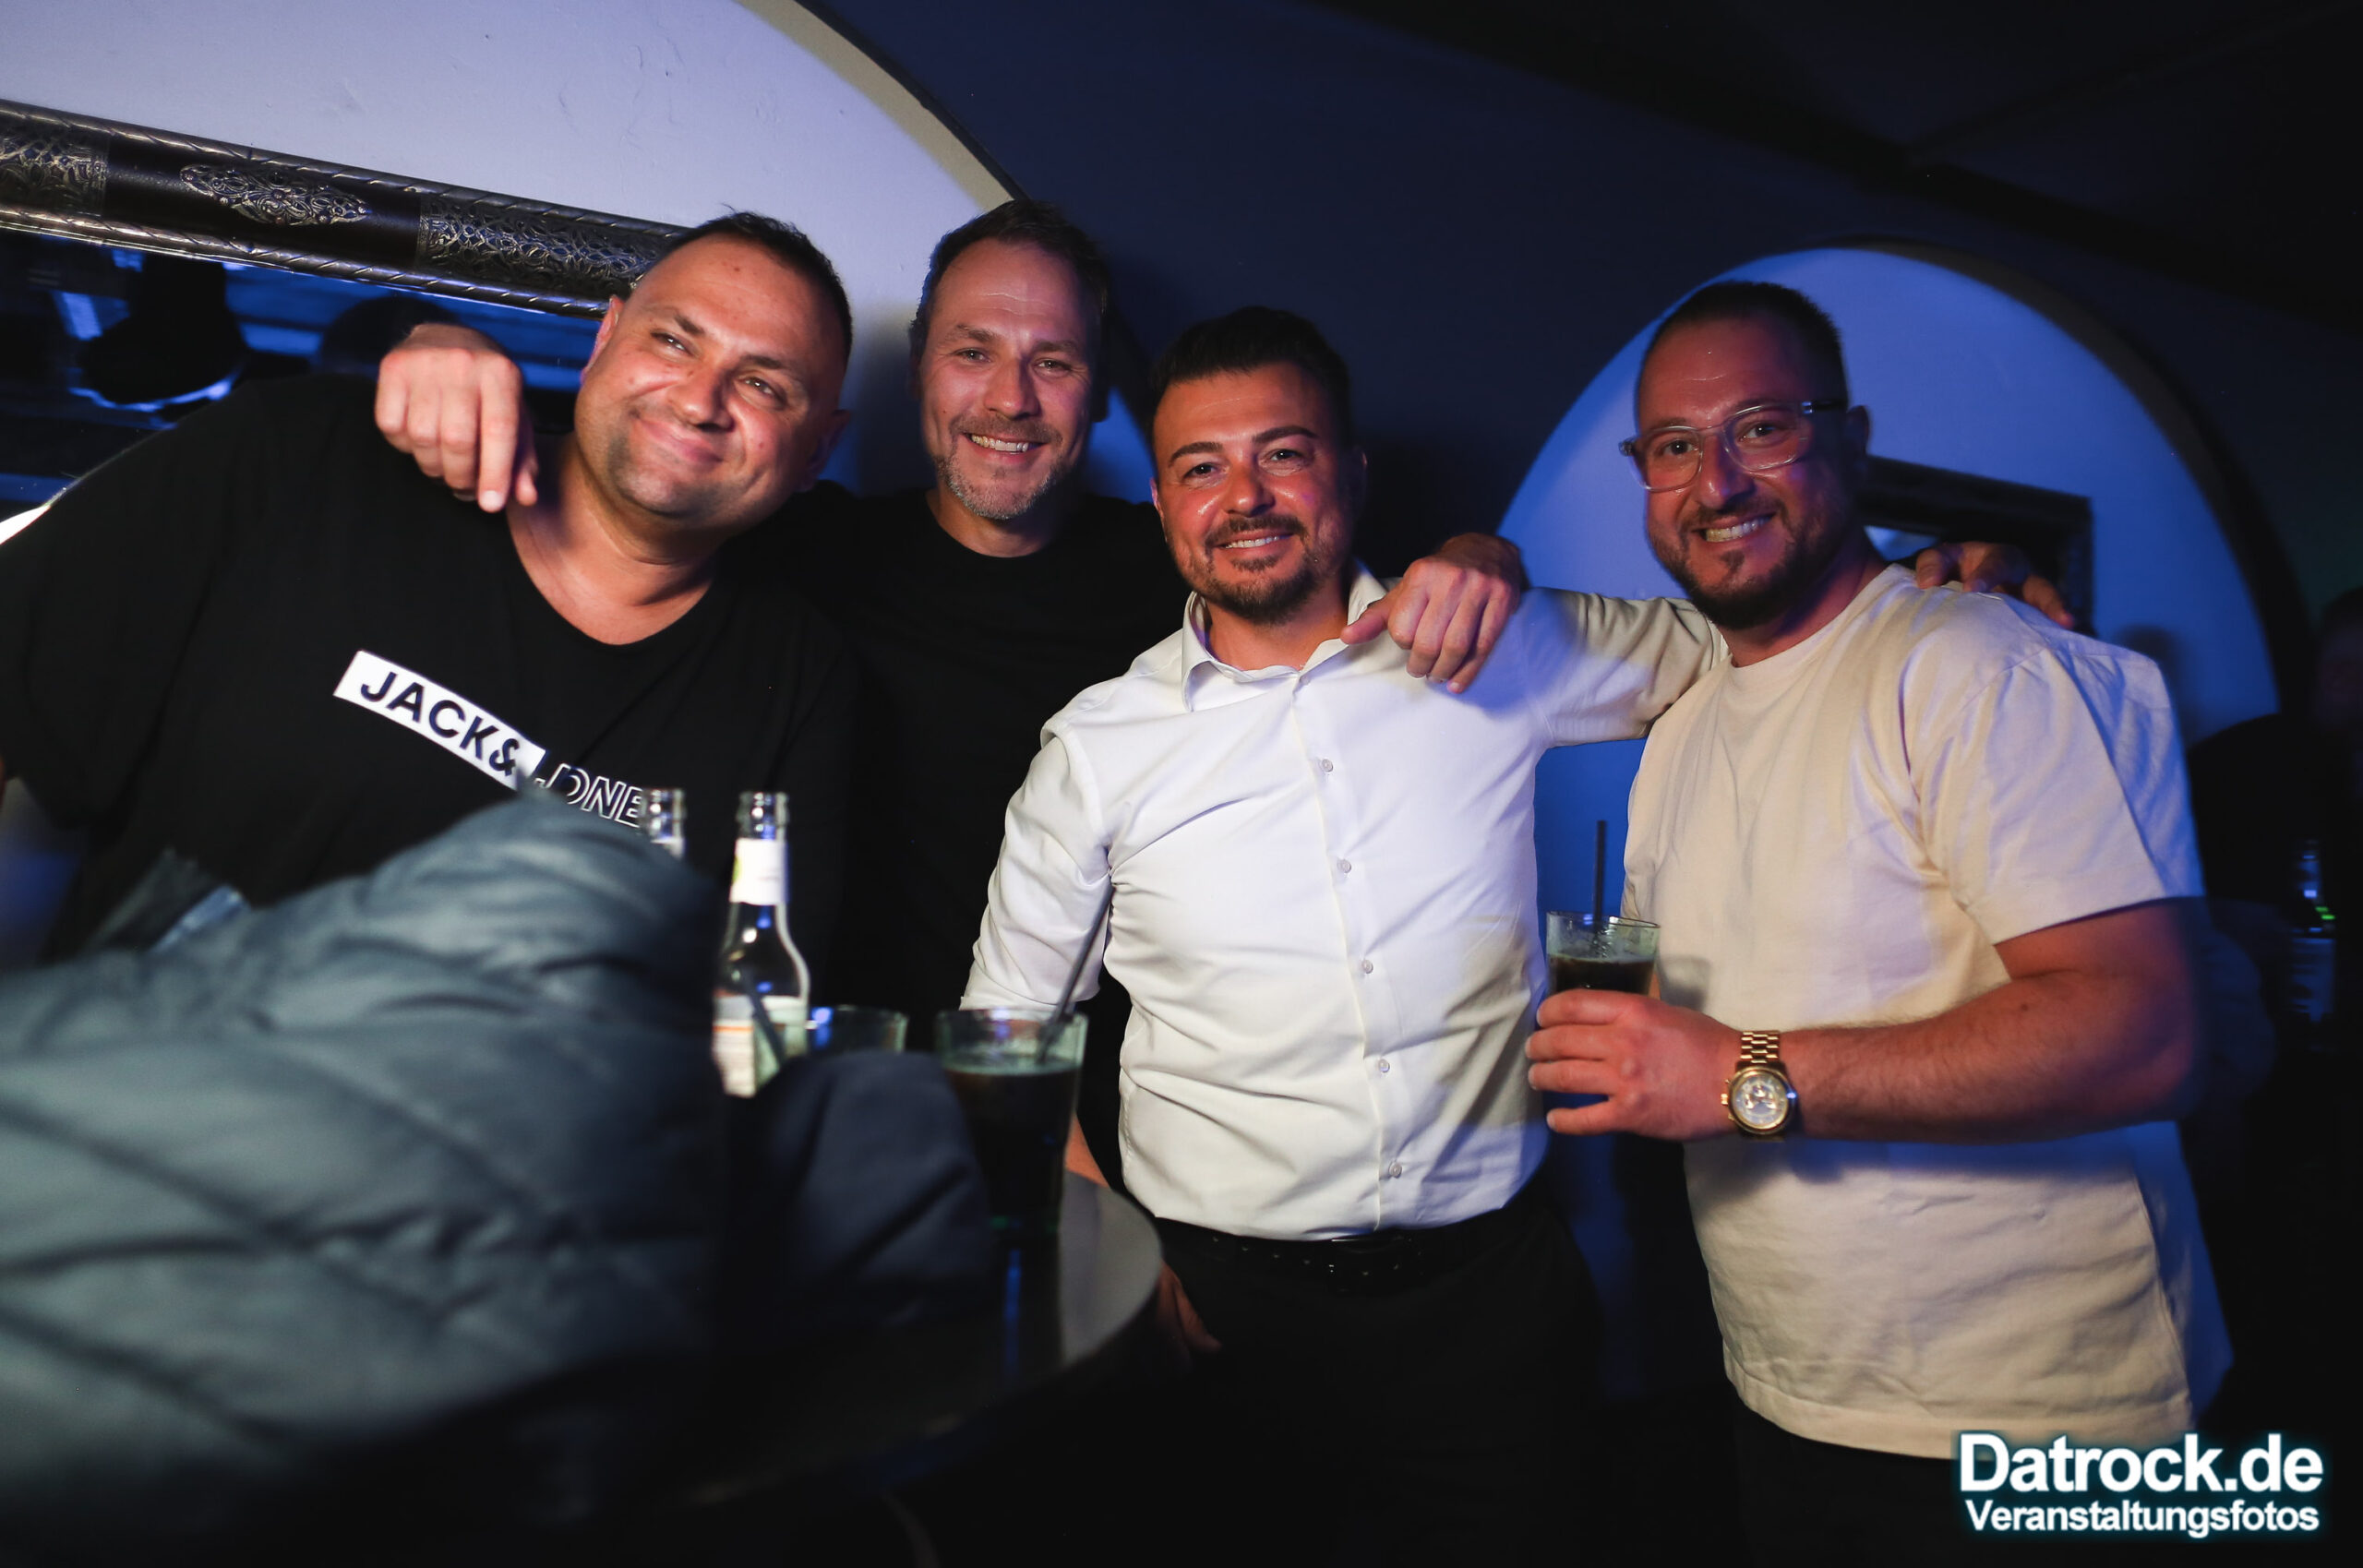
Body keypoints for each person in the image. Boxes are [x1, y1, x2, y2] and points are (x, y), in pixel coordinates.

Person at [371, 200, 1529, 1179]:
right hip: (834, 1127)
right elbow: (621, 486)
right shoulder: (799, 547)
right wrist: (431, 340)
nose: (1010, 399)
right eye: (973, 351)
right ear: (920, 366)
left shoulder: (1184, 569)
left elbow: (1369, 598)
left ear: (1097, 391)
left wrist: (1483, 554)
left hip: (1116, 1147)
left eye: (1053, 362)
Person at [1525, 281, 2226, 1562]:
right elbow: (1709, 1012)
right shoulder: (1678, 730)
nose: (1716, 481)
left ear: (1849, 443)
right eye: (1675, 446)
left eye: (1762, 428)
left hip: (2048, 1422)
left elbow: (2148, 1032)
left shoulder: (1980, 663)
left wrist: (1737, 1075)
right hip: (1791, 1394)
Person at [0, 214, 855, 962]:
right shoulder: (301, 454)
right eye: (672, 341)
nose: (701, 400)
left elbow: (751, 1011)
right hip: (135, 1076)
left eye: (764, 385)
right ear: (606, 337)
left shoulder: (797, 683)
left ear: (819, 446)